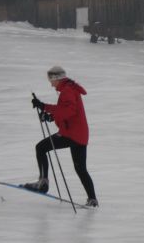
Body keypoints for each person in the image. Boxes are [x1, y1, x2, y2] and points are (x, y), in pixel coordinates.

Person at [24, 66, 98, 208]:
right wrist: (46, 110)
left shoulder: (67, 91)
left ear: (56, 79)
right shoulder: (69, 89)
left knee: (41, 147)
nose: (51, 84)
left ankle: (43, 182)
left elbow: (69, 111)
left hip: (71, 134)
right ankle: (92, 199)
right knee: (81, 169)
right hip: (80, 134)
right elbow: (66, 111)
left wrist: (48, 112)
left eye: (51, 80)